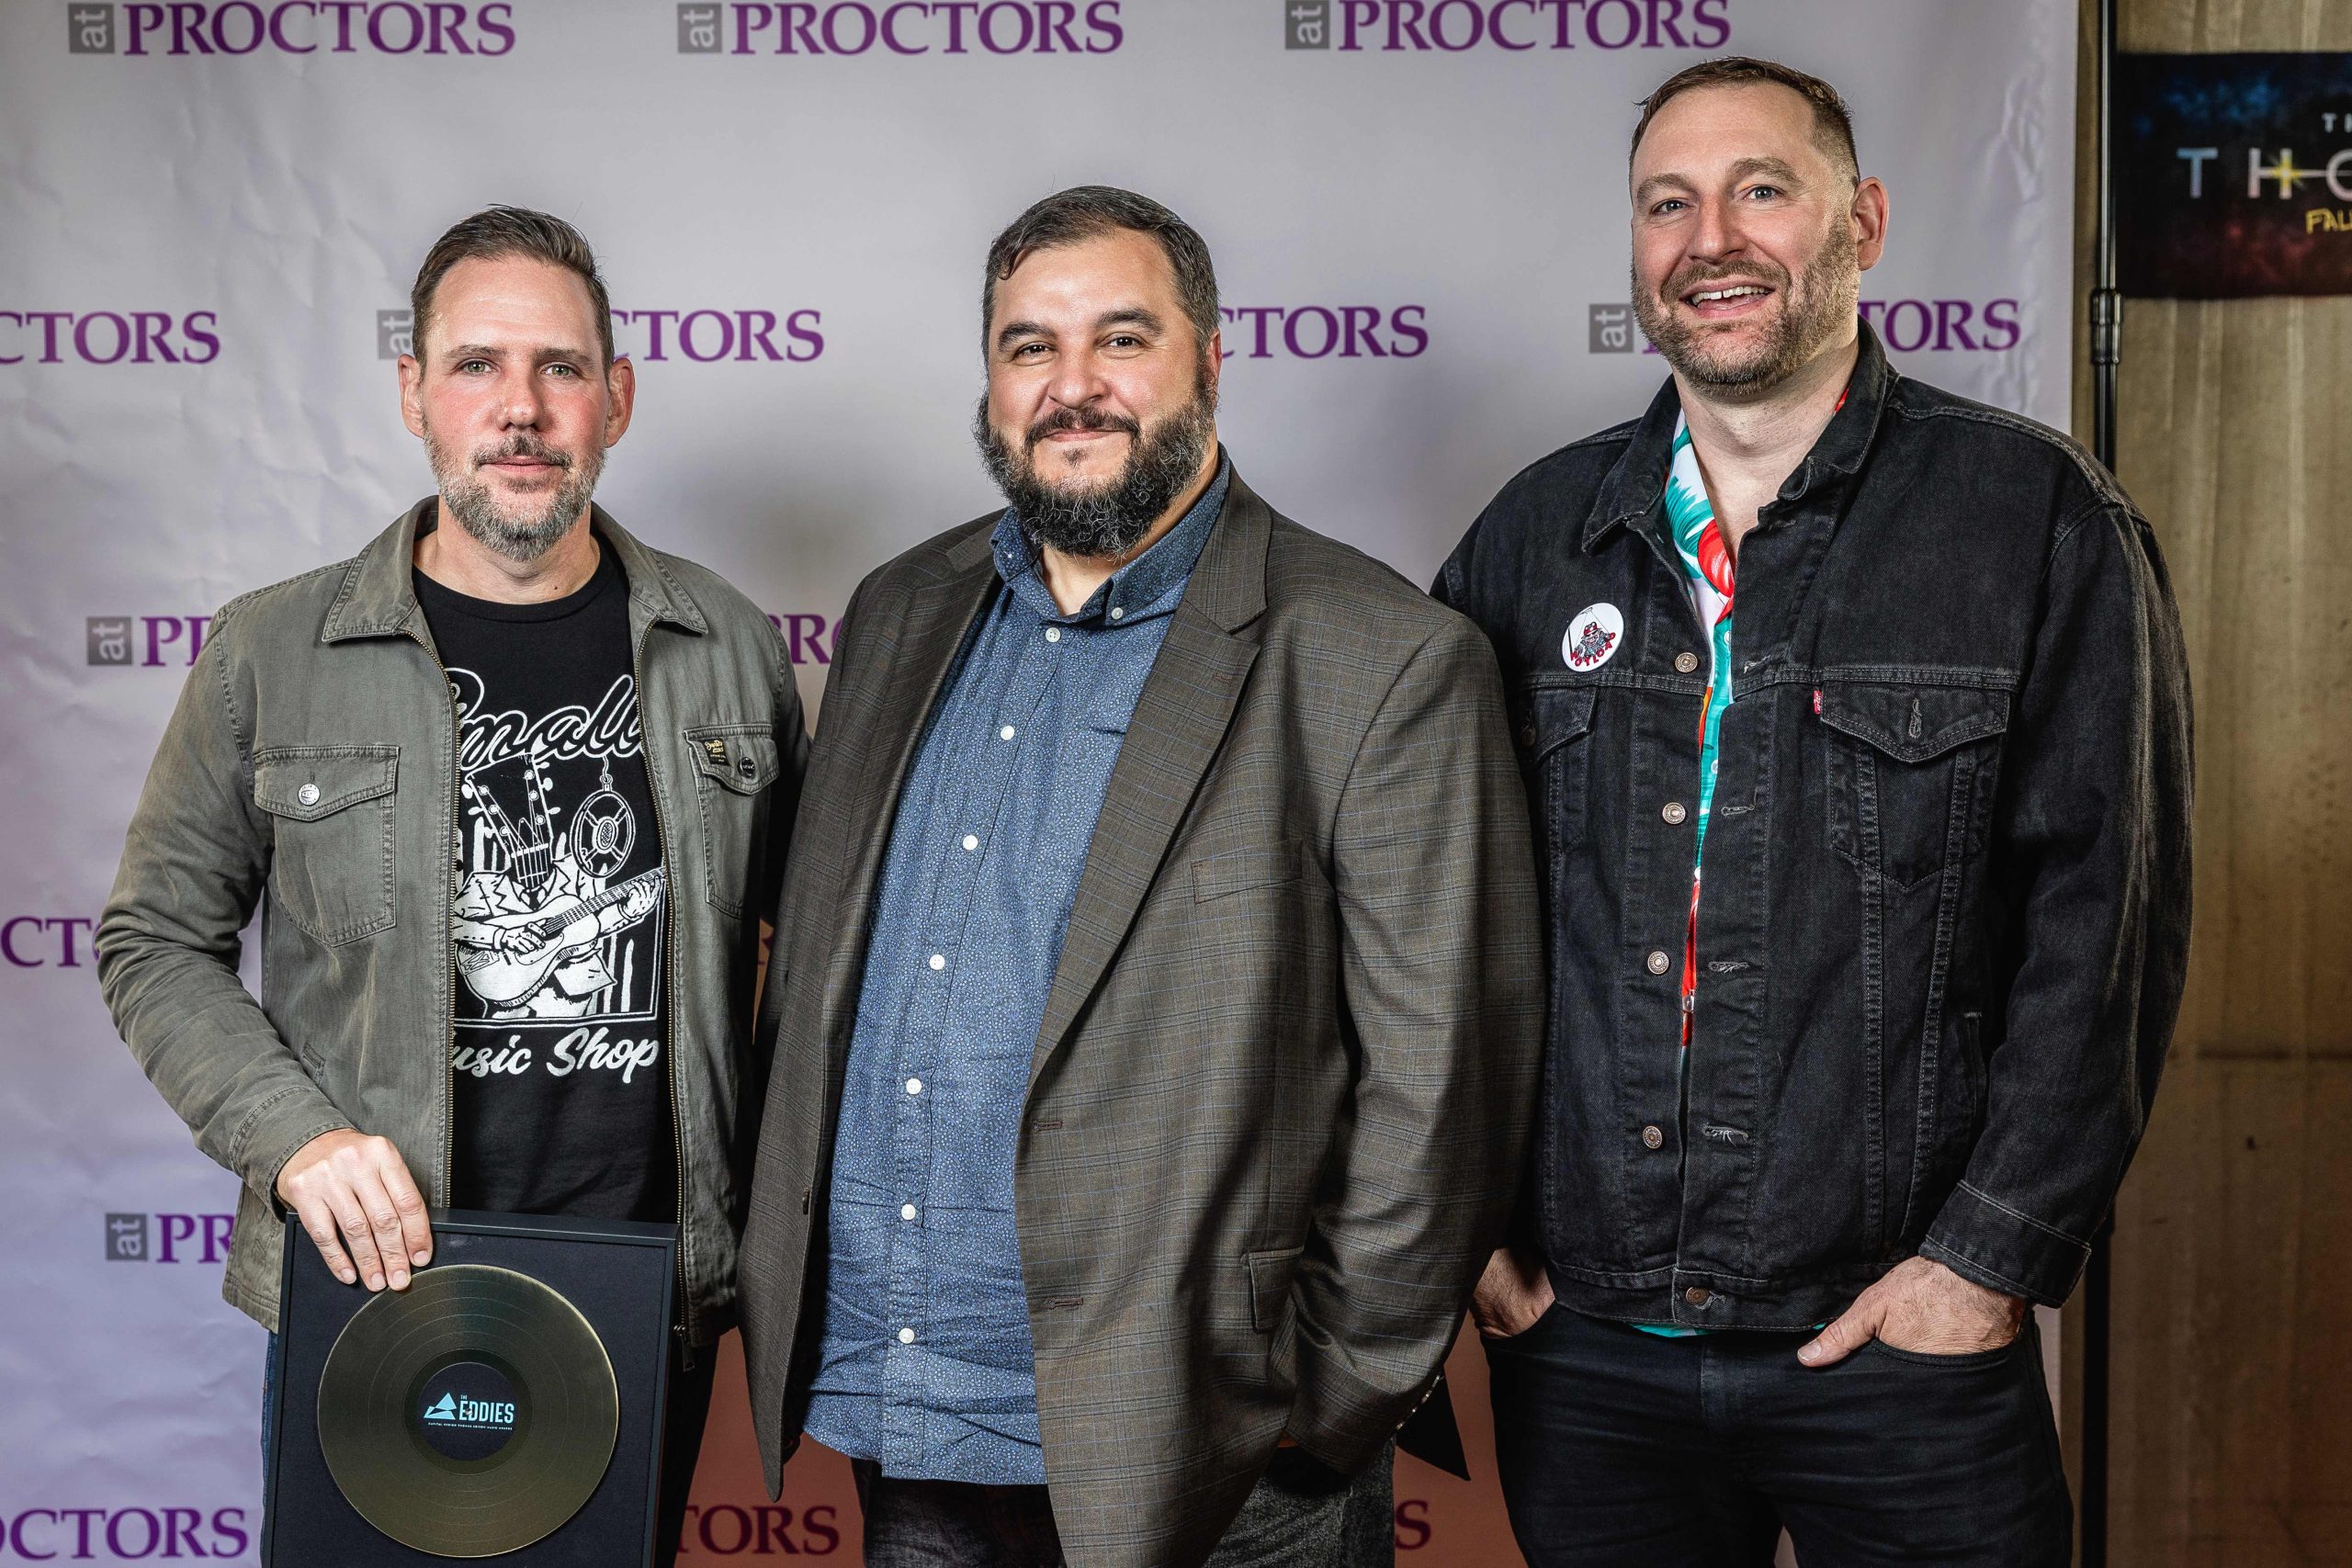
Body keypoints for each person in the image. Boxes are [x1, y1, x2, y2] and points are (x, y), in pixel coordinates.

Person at [1437, 57, 2193, 1567]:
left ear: (1865, 223)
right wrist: (1471, 1239)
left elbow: (2106, 925)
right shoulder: (1532, 537)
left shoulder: (2034, 519)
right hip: (1587, 1350)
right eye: (1668, 204)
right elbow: (1424, 917)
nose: (1710, 240)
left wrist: (1985, 1265)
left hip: (1902, 1350)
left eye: (1761, 190)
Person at [736, 186, 1542, 1568]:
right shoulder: (898, 611)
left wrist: (1324, 1399)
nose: (1073, 386)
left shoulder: (1377, 655)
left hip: (1214, 1450)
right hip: (905, 1410)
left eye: (1121, 338)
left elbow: (1444, 1083)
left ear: (1210, 359)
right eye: (1029, 347)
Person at [95, 206, 806, 1567]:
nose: (521, 408)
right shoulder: (271, 652)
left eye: (560, 367)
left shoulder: (726, 645)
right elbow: (154, 942)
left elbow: (814, 956)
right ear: (415, 392)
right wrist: (296, 1140)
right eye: (477, 364)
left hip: (643, 1292)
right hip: (373, 1284)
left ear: (617, 398)